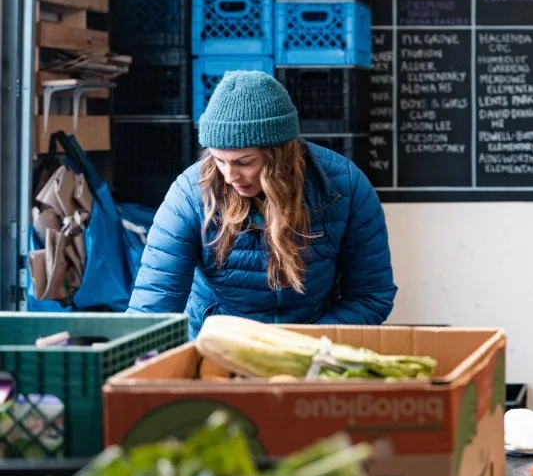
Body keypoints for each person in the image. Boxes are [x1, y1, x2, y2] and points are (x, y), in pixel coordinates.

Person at [127, 70, 397, 337]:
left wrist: (305, 342)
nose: (230, 176)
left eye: (244, 162)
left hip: (313, 347)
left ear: (280, 155)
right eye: (219, 161)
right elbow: (153, 306)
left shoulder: (345, 186)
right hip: (216, 344)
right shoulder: (190, 194)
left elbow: (371, 295)